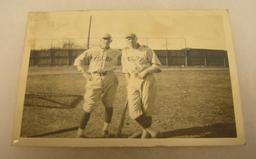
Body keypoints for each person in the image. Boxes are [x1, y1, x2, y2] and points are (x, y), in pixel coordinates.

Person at [74, 33, 121, 138]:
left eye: (108, 39)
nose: (106, 41)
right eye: (104, 39)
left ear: (111, 41)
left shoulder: (116, 52)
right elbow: (78, 61)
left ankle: (105, 130)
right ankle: (80, 133)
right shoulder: (92, 50)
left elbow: (128, 55)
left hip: (110, 78)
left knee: (109, 105)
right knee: (89, 106)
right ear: (100, 40)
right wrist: (84, 72)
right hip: (94, 78)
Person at [121, 33, 162, 138]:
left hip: (146, 79)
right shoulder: (124, 52)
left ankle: (145, 135)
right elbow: (125, 70)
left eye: (131, 38)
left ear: (136, 38)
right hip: (132, 81)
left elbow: (157, 66)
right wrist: (128, 84)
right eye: (127, 38)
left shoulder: (146, 50)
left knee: (146, 110)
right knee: (134, 112)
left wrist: (146, 71)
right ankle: (152, 131)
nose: (129, 40)